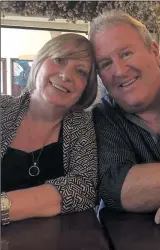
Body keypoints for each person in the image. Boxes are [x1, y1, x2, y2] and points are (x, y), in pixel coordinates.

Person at [89, 10, 160, 231]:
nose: (120, 71)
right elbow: (115, 186)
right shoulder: (103, 117)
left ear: (154, 51)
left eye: (125, 54)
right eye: (105, 64)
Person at [1, 33, 98, 225]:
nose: (66, 75)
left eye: (80, 72)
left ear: (87, 87)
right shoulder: (2, 108)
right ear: (40, 62)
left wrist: (4, 207)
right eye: (59, 60)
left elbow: (83, 187)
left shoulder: (82, 124)